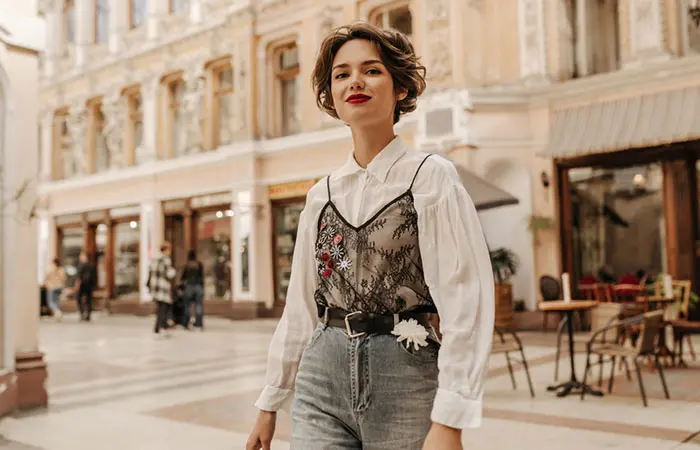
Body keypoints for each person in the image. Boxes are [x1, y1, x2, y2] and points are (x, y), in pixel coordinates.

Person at [247, 23, 494, 450]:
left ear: (399, 88)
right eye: (341, 75)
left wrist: (450, 419)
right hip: (320, 381)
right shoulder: (319, 195)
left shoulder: (431, 178)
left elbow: (464, 300)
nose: (354, 81)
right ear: (332, 97)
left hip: (406, 378)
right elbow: (300, 309)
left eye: (371, 70)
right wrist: (270, 403)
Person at [147, 242, 177, 337]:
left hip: (155, 288)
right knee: (163, 309)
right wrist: (173, 271)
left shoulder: (155, 260)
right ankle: (161, 329)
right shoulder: (166, 260)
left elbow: (151, 273)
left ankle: (160, 328)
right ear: (165, 250)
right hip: (163, 288)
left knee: (160, 309)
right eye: (169, 250)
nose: (169, 252)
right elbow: (169, 274)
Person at [181, 249, 205, 330]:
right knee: (198, 306)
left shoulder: (187, 265)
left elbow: (183, 278)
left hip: (189, 286)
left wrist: (182, 288)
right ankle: (198, 324)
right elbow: (202, 277)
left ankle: (186, 323)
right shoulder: (199, 264)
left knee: (187, 306)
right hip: (198, 286)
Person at [75, 251, 97, 322]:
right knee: (89, 300)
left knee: (78, 299)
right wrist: (94, 286)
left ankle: (82, 313)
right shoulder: (92, 265)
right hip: (89, 285)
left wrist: (77, 285)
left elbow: (78, 277)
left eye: (81, 256)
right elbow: (95, 277)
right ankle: (88, 315)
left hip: (82, 285)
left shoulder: (81, 265)